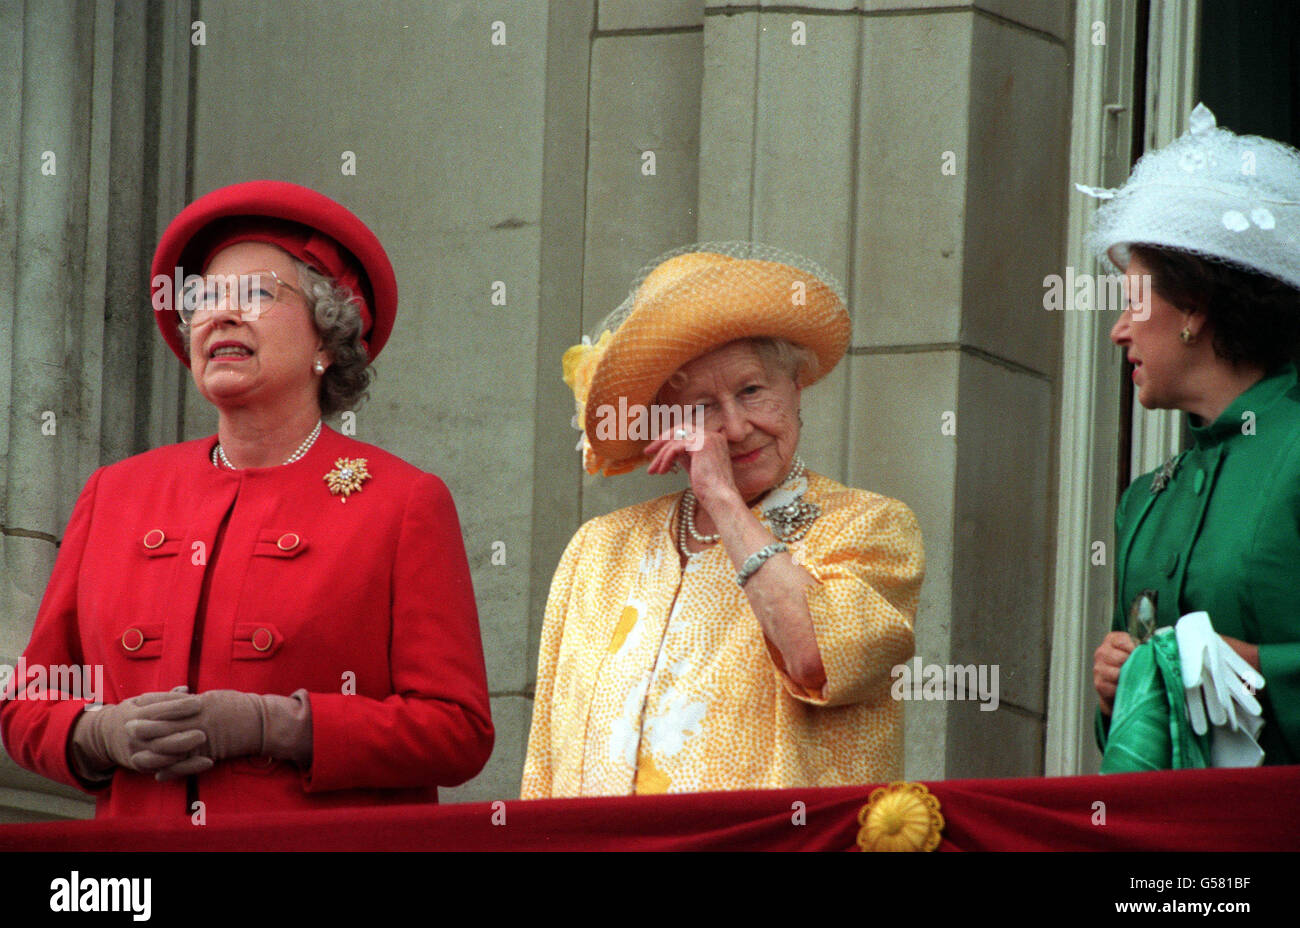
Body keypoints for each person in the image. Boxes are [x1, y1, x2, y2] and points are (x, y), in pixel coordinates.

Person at [0, 180, 494, 817]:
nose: (219, 315)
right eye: (202, 299)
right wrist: (97, 734)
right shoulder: (116, 494)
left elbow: (458, 731)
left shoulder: (402, 503)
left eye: (255, 295)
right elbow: (26, 705)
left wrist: (278, 726)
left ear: (327, 336)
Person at [521, 244, 924, 797]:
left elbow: (815, 658)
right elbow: (545, 764)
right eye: (701, 407)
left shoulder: (870, 526)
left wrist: (721, 498)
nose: (734, 427)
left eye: (752, 390)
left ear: (795, 386)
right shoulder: (598, 550)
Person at [1085, 104, 1300, 765]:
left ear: (1195, 308)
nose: (1120, 330)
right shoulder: (1146, 499)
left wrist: (1259, 667)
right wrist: (1121, 685)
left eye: (1134, 302)